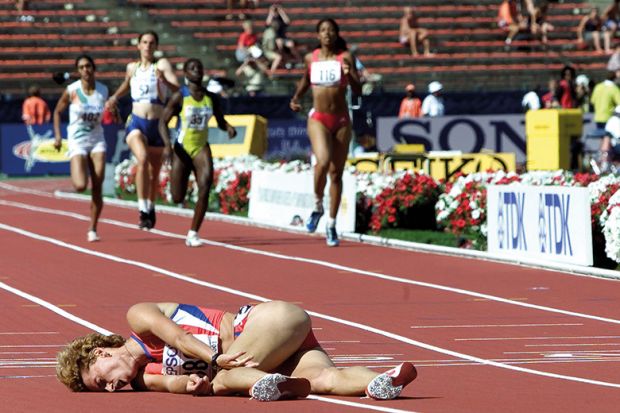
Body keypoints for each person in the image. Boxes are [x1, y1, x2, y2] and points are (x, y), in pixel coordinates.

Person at [56, 301, 418, 401]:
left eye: (100, 381)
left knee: (223, 379)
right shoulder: (143, 380)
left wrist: (213, 362)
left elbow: (179, 338)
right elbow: (174, 387)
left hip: (270, 322)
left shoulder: (138, 316)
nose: (109, 389)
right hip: (279, 350)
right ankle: (382, 382)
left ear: (101, 354)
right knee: (323, 379)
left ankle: (267, 383)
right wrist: (190, 387)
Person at [289, 18, 362, 247]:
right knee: (322, 161)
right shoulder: (312, 58)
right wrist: (296, 98)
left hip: (341, 119)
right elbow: (305, 79)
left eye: (331, 30)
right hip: (319, 118)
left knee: (336, 174)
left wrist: (349, 75)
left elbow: (358, 89)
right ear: (318, 35)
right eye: (323, 30)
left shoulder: (346, 58)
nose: (327, 34)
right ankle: (318, 204)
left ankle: (331, 224)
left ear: (336, 34)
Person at [105, 31, 180, 230]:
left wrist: (164, 79)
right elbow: (127, 84)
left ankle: (151, 207)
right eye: (144, 42)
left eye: (151, 43)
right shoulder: (132, 67)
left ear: (156, 46)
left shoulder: (161, 65)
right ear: (138, 46)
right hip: (136, 122)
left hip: (157, 125)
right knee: (143, 158)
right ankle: (142, 209)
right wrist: (114, 97)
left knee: (154, 173)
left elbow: (177, 89)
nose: (148, 46)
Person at [158, 58, 237, 247]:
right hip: (181, 148)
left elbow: (219, 120)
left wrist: (228, 127)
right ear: (185, 73)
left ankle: (193, 233)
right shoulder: (180, 96)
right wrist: (167, 146)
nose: (197, 70)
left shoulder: (210, 97)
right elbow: (162, 122)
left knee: (206, 182)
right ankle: (180, 189)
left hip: (201, 146)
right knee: (177, 197)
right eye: (192, 68)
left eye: (199, 68)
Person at [52, 55, 108, 242]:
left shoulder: (103, 90)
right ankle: (81, 163)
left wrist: (113, 113)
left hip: (97, 140)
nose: (86, 70)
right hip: (77, 140)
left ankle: (93, 228)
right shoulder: (72, 90)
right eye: (82, 67)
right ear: (78, 71)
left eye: (88, 66)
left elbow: (110, 113)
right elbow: (57, 111)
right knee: (80, 185)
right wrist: (58, 136)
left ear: (93, 68)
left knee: (98, 185)